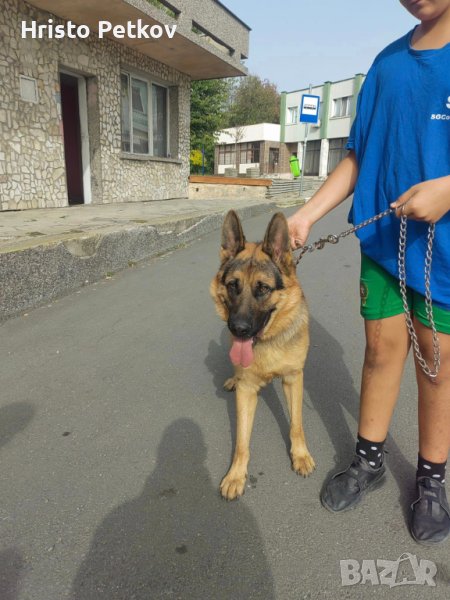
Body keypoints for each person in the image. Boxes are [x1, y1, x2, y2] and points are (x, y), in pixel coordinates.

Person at [287, 0, 450, 545]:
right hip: (384, 243)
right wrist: (307, 215)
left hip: (444, 251)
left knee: (436, 365)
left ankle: (431, 479)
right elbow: (358, 156)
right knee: (380, 352)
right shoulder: (386, 64)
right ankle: (369, 460)